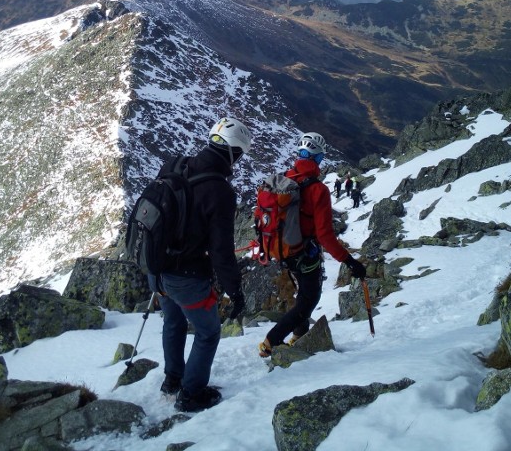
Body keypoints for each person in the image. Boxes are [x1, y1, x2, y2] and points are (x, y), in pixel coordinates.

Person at [148, 116, 250, 412]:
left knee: (174, 321)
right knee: (208, 332)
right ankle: (191, 394)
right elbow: (221, 252)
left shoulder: (174, 166)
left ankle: (172, 380)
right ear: (234, 153)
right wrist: (236, 291)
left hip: (156, 267)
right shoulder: (220, 191)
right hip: (186, 276)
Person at [258, 132, 366, 357]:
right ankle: (271, 341)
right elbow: (326, 236)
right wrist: (350, 261)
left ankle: (299, 336)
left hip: (281, 249)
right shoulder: (318, 190)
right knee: (308, 300)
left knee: (303, 295)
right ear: (318, 159)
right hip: (303, 253)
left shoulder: (284, 179)